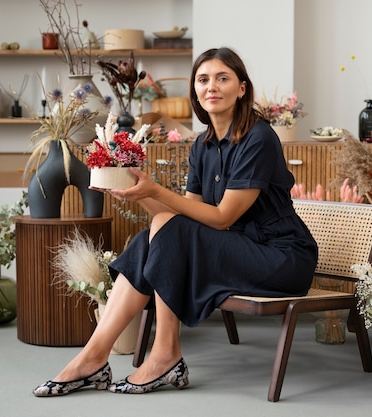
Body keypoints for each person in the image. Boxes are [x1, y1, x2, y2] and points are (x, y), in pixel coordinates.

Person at [33, 47, 318, 397]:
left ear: (242, 88)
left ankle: (166, 353)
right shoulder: (203, 145)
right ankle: (93, 357)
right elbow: (183, 217)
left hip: (281, 258)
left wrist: (156, 191)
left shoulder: (258, 138)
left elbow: (222, 217)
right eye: (203, 79)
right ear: (195, 90)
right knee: (145, 241)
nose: (211, 86)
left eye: (222, 78)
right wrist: (136, 191)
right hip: (238, 249)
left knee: (174, 232)